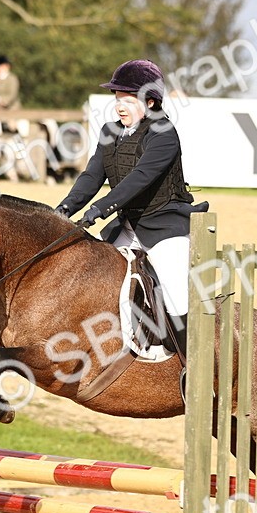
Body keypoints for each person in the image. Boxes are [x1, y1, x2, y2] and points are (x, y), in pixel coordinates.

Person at [55, 59, 204, 366]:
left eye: (127, 100)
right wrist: (63, 210)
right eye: (117, 99)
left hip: (165, 226)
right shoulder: (110, 132)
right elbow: (91, 177)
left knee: (175, 293)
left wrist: (99, 209)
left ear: (150, 101)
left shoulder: (164, 134)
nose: (119, 107)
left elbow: (139, 180)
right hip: (127, 226)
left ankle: (195, 370)